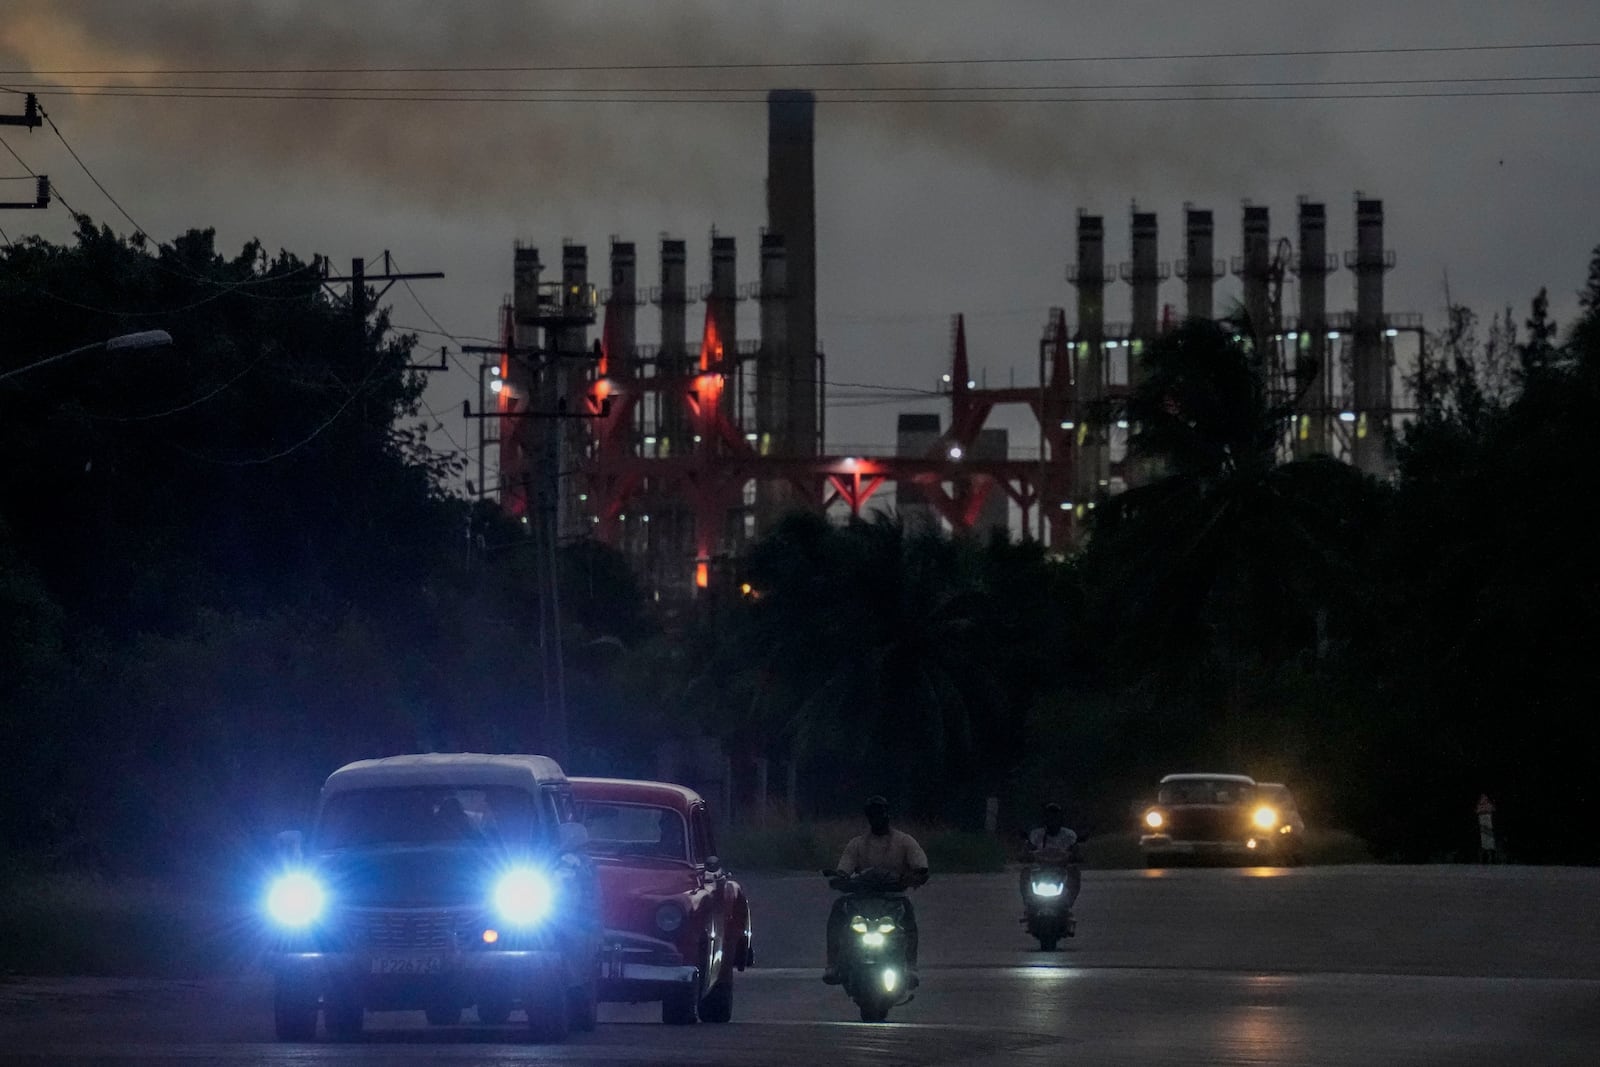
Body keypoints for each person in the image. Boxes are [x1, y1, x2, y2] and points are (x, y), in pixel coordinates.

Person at [823, 796, 929, 985]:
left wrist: (916, 876)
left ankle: (910, 966)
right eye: (873, 814)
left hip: (893, 897)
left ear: (887, 814)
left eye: (880, 813)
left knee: (909, 917)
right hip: (862, 897)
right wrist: (839, 878)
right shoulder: (857, 844)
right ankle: (833, 964)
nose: (877, 818)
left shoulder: (904, 841)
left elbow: (920, 865)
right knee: (838, 908)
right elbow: (844, 868)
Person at [1021, 802, 1081, 912]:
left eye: (1055, 816)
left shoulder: (1069, 835)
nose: (1052, 819)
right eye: (1049, 816)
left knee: (1075, 872)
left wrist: (1075, 856)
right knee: (1025, 872)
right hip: (1041, 868)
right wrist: (1025, 855)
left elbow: (1075, 850)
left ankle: (1068, 903)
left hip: (1061, 869)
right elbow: (1028, 849)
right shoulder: (1036, 834)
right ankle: (1028, 903)